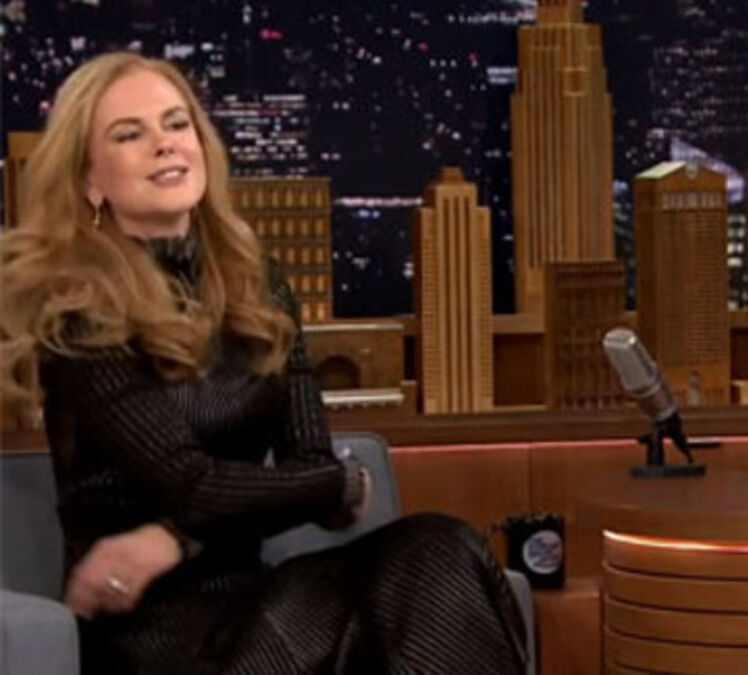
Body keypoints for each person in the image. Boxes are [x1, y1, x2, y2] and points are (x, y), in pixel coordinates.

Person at [0, 52, 526, 674]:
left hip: (261, 606)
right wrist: (341, 482)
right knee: (428, 564)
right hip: (154, 634)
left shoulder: (257, 285)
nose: (165, 144)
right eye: (129, 134)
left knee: (439, 546)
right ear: (91, 179)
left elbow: (309, 464)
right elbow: (202, 487)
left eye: (177, 124)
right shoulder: (80, 308)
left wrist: (173, 538)